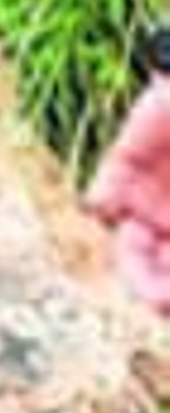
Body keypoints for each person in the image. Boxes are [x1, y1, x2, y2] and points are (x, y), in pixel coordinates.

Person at [85, 26, 170, 314]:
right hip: (143, 217)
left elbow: (126, 159)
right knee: (134, 259)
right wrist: (101, 201)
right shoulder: (157, 106)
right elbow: (128, 159)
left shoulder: (157, 104)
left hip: (151, 218)